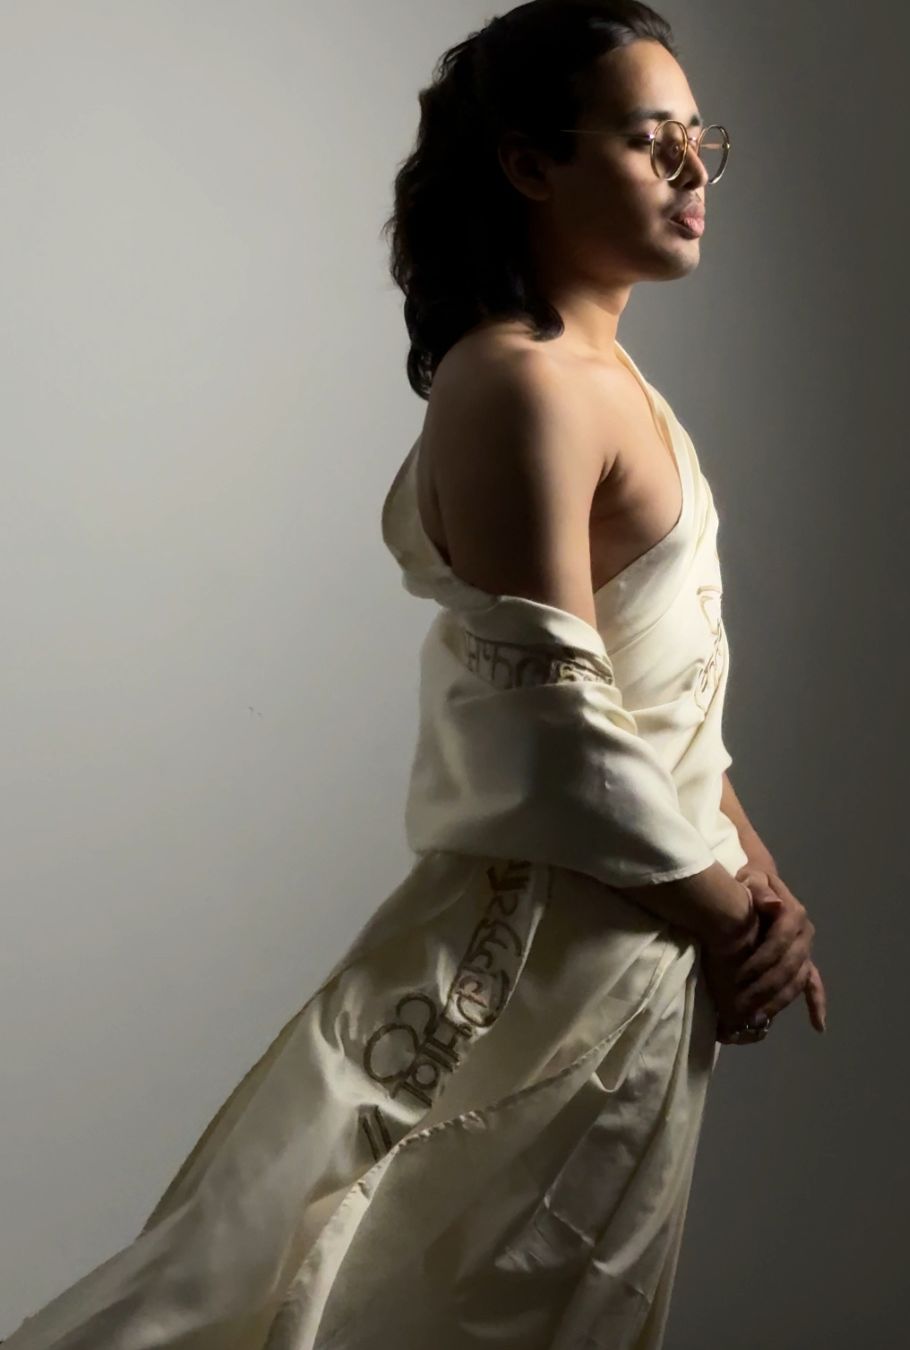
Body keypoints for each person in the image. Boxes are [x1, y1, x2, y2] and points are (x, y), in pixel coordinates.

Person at [2, 2, 825, 1346]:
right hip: (538, 966)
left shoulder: (610, 378)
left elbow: (661, 697)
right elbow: (552, 711)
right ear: (529, 163)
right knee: (326, 1294)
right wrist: (728, 911)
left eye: (701, 141)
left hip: (640, 954)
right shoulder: (519, 384)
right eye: (649, 140)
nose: (692, 172)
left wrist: (762, 883)